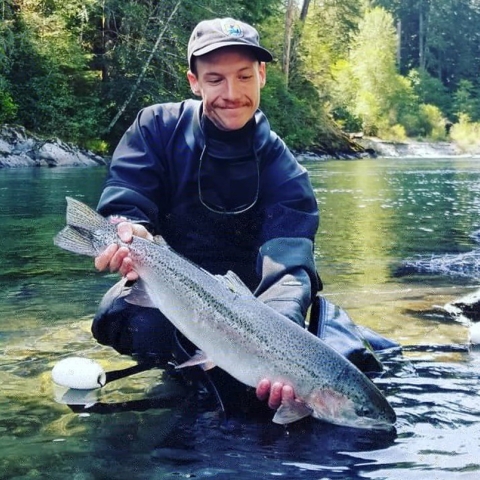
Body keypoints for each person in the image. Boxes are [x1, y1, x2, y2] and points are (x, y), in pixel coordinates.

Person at [92, 17, 321, 412]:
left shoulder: (283, 167)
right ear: (194, 82)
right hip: (172, 285)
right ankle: (191, 366)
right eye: (215, 79)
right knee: (118, 318)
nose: (232, 93)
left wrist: (280, 348)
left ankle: (220, 368)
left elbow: (290, 264)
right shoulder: (155, 128)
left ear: (262, 75)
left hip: (253, 304)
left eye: (244, 77)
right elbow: (126, 200)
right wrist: (128, 230)